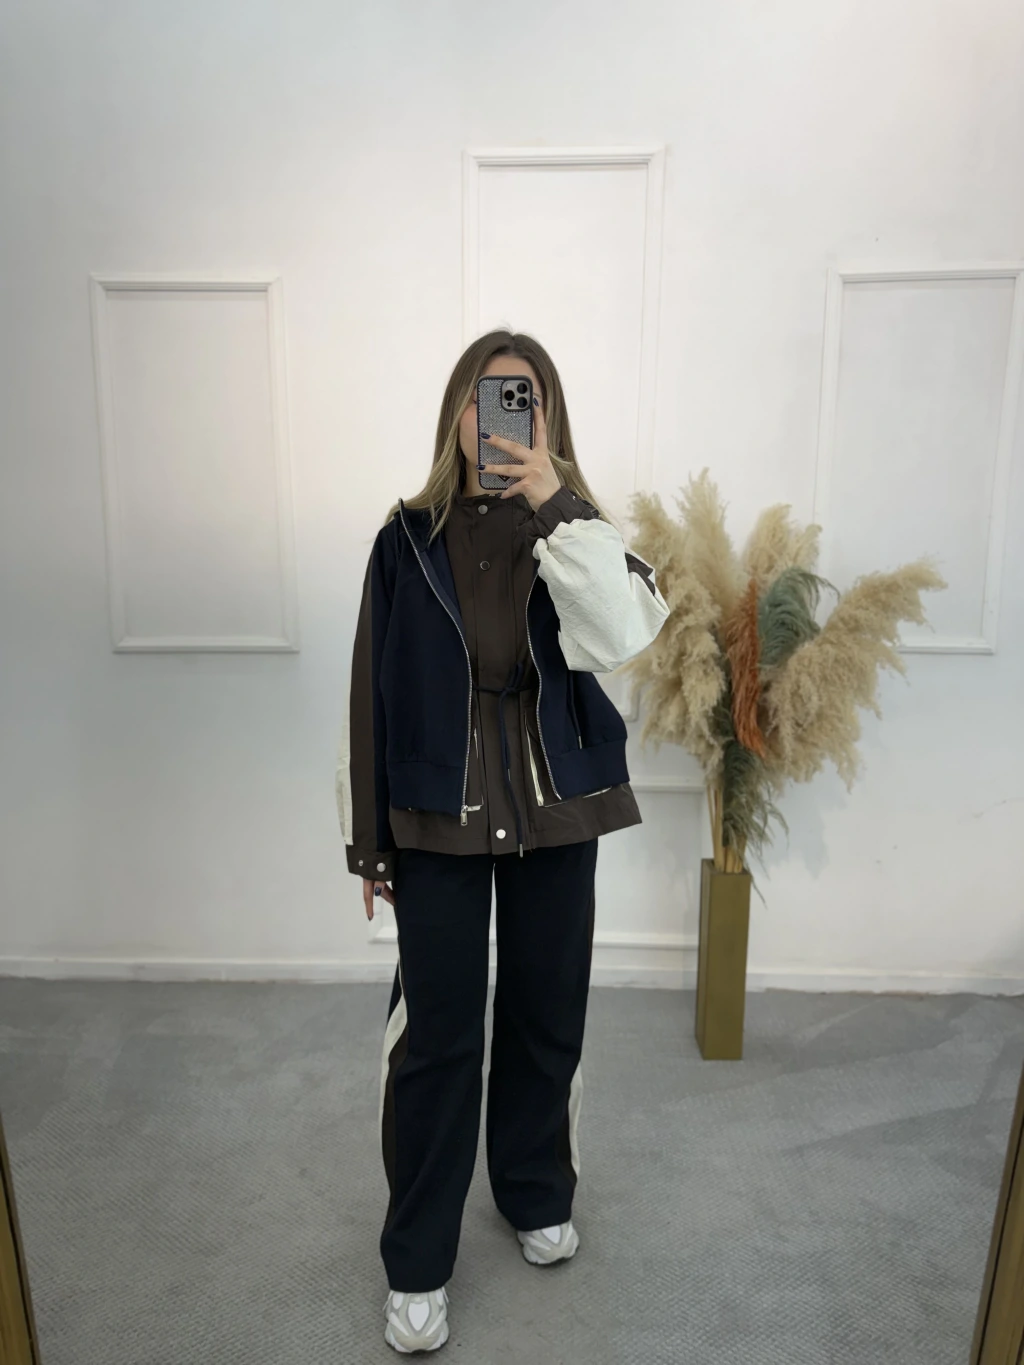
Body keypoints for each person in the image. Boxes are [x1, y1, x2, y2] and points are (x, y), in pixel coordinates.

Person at [335, 330, 670, 1353]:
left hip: (556, 802)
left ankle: (534, 1192)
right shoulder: (403, 539)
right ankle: (417, 1259)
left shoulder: (577, 530)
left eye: (524, 399)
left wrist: (557, 503)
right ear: (457, 414)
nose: (501, 420)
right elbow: (372, 692)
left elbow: (622, 635)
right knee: (437, 1035)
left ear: (548, 418)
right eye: (487, 399)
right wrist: (369, 843)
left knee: (544, 1010)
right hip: (436, 809)